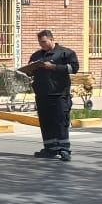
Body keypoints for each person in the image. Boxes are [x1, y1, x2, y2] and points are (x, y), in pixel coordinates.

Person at [29, 29, 80, 161]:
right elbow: (29, 72)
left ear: (51, 39)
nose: (42, 45)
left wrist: (54, 67)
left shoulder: (65, 53)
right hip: (42, 94)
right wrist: (29, 68)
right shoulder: (36, 56)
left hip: (59, 94)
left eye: (44, 42)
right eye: (40, 42)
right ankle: (50, 149)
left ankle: (64, 150)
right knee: (46, 122)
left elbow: (74, 68)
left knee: (61, 122)